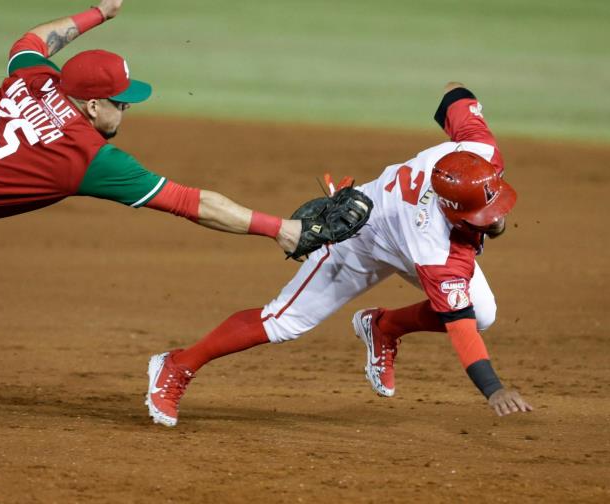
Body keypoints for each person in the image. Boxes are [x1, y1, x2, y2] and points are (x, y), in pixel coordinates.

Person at [145, 82, 533, 427]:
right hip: (360, 237)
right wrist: (493, 389)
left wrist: (459, 93)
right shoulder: (437, 251)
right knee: (284, 321)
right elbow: (459, 328)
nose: (496, 216)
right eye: (483, 213)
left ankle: (384, 326)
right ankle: (178, 364)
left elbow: (454, 95)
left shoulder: (481, 150)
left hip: (403, 233)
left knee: (484, 312)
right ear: (450, 209)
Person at [0, 0, 312, 255]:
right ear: (93, 106)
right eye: (121, 103)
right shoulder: (88, 158)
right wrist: (280, 229)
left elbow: (32, 40)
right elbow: (192, 203)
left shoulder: (36, 78)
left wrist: (100, 13)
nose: (126, 110)